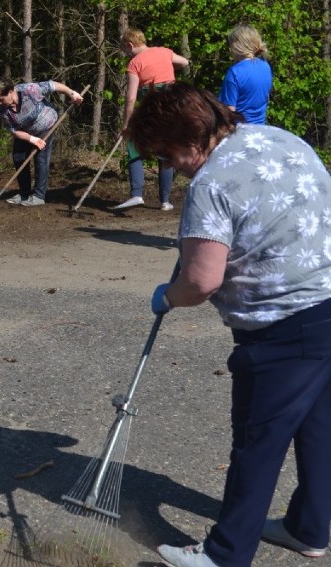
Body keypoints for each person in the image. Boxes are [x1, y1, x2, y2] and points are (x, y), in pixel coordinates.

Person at [127, 82, 331, 567]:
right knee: (320, 428)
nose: (168, 165)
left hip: (282, 323)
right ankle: (309, 528)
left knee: (257, 441)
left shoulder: (211, 182)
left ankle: (225, 554)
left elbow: (200, 280)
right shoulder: (280, 137)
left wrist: (168, 296)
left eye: (166, 153)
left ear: (188, 138)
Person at [113, 28, 189, 211]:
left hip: (151, 107)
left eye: (124, 49)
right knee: (165, 150)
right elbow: (185, 62)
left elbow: (131, 98)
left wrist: (127, 124)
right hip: (171, 107)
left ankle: (137, 194)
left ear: (130, 45)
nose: (125, 53)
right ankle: (165, 201)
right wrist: (170, 66)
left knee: (133, 144)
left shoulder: (134, 63)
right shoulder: (164, 52)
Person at [0, 78, 84, 206]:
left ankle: (39, 196)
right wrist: (32, 139)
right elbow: (13, 131)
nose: (0, 102)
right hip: (24, 132)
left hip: (45, 125)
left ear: (11, 91)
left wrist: (72, 93)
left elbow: (53, 85)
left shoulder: (29, 90)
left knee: (40, 159)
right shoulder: (3, 109)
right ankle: (24, 194)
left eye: (1, 99)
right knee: (18, 157)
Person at [218, 24, 273, 125]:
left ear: (236, 46)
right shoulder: (266, 66)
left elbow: (229, 112)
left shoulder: (235, 72)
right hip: (260, 128)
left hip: (240, 131)